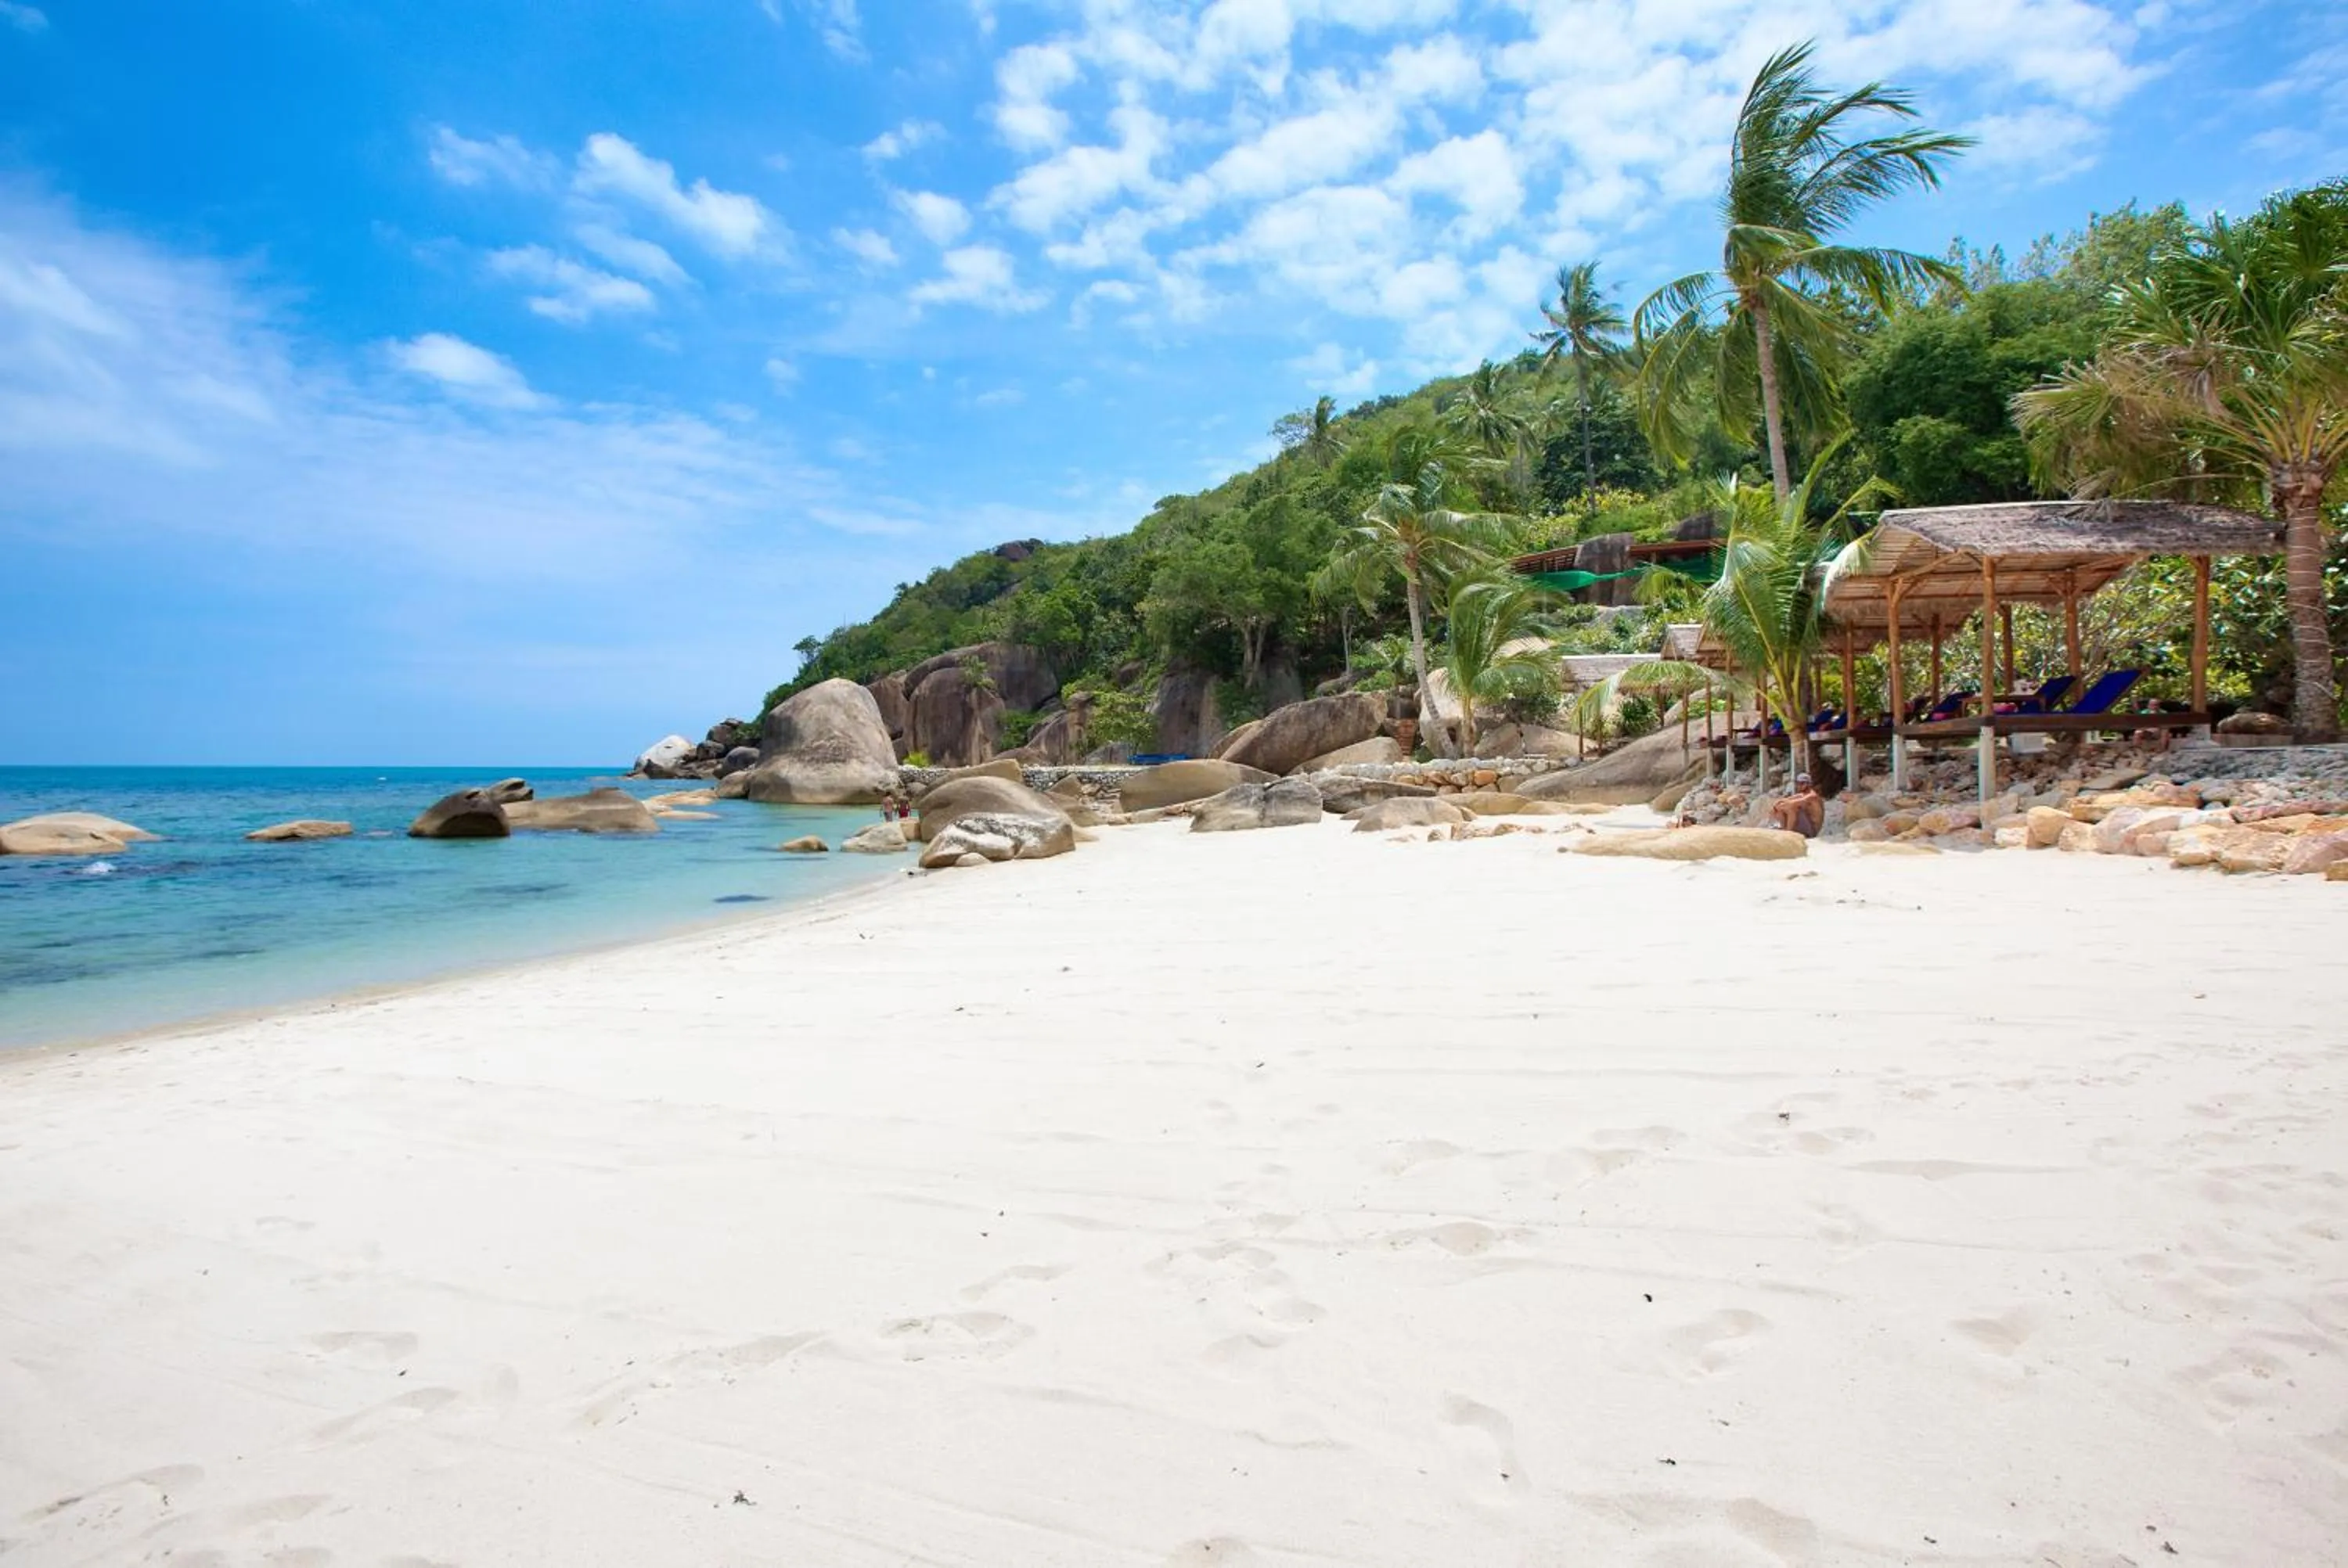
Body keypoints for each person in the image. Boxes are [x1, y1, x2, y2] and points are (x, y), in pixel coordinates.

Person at [1768, 772, 1824, 838]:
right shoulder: (1803, 794)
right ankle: (1784, 829)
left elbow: (1792, 803)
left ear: (1809, 784)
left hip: (1811, 830)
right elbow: (1785, 800)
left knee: (1792, 808)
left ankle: (1787, 833)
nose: (1799, 785)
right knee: (1781, 807)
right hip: (1805, 825)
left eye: (1802, 783)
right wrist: (1776, 806)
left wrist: (1780, 806)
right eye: (1798, 783)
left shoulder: (1812, 796)